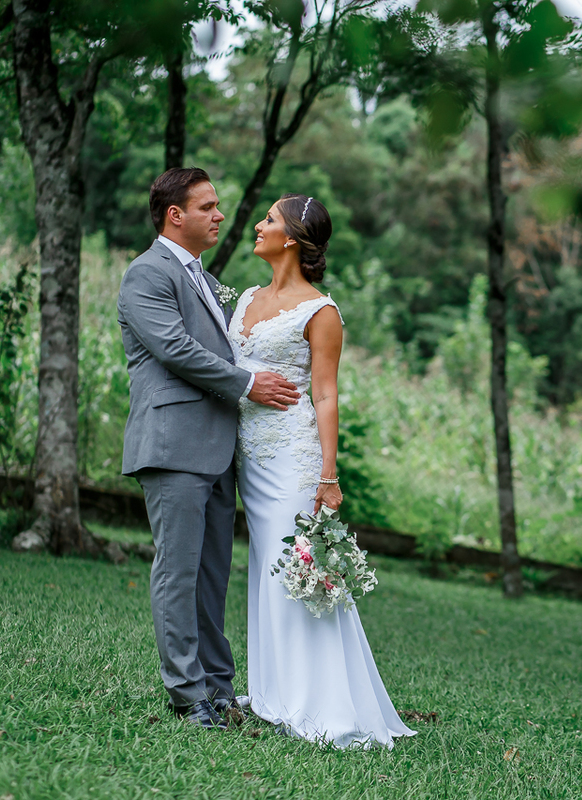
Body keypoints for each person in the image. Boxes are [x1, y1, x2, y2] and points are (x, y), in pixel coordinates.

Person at [117, 168, 300, 729]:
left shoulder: (203, 276)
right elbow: (172, 348)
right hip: (173, 445)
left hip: (217, 447)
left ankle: (220, 688)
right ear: (176, 215)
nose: (220, 215)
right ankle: (186, 694)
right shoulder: (146, 273)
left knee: (211, 573)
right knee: (178, 571)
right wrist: (248, 385)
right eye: (208, 207)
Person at [232, 193, 415, 748]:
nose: (258, 226)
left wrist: (328, 477)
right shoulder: (245, 298)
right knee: (265, 568)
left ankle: (320, 704)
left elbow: (327, 394)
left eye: (268, 220)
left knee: (295, 571)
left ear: (290, 239)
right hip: (246, 455)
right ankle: (273, 690)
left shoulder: (322, 311)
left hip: (292, 459)